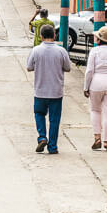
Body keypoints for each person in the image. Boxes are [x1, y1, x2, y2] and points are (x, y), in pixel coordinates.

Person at [26, 23, 72, 155]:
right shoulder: (61, 51)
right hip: (56, 92)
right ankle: (52, 147)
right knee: (54, 119)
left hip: (40, 91)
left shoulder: (36, 50)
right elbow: (68, 68)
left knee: (39, 114)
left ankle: (42, 137)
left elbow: (29, 67)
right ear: (54, 35)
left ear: (40, 36)